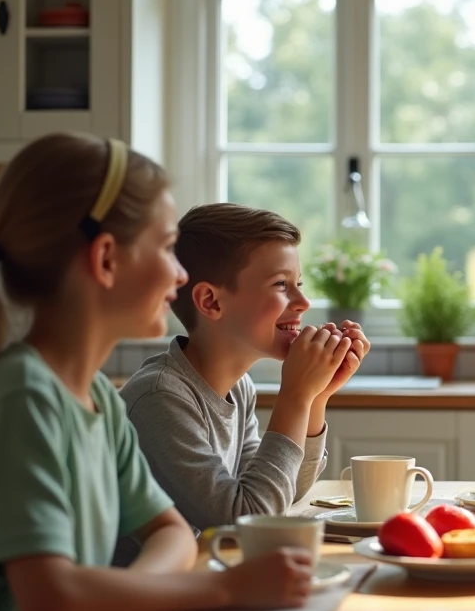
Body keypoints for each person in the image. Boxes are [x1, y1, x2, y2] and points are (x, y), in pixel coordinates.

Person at [0, 134, 314, 611]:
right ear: (107, 258)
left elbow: (175, 535)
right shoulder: (21, 401)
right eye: (167, 248)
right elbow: (54, 599)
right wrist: (227, 590)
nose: (180, 276)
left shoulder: (98, 403)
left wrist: (138, 600)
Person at [119, 203, 369, 542]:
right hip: (147, 590)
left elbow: (281, 492)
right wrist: (295, 397)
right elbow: (248, 519)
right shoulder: (160, 397)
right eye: (281, 284)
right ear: (211, 302)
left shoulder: (239, 387)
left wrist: (315, 398)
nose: (303, 301)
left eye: (299, 283)